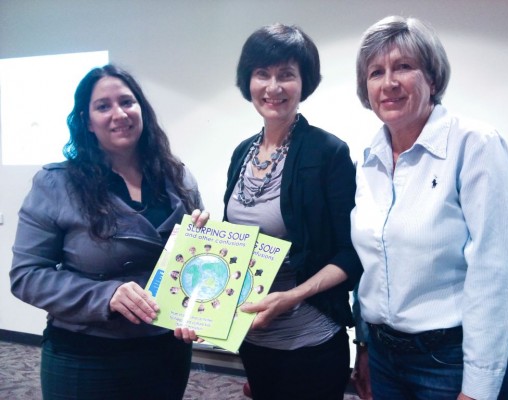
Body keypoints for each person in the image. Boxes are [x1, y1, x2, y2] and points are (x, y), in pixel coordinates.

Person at [10, 64, 209, 400]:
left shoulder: (178, 177)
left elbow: (194, 264)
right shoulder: (56, 182)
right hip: (86, 355)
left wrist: (204, 252)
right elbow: (27, 276)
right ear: (87, 121)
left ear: (141, 110)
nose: (119, 113)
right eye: (103, 106)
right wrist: (106, 295)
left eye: (127, 102)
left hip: (165, 350)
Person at [350, 16, 508, 400]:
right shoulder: (370, 158)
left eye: (404, 67)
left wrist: (478, 387)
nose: (389, 82)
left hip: (451, 362)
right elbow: (371, 267)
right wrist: (364, 346)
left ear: (433, 79)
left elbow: (494, 272)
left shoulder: (475, 145)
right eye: (376, 72)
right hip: (384, 357)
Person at [224, 23, 362, 399]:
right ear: (247, 81)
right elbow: (237, 243)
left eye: (286, 75)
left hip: (310, 340)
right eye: (262, 74)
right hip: (253, 337)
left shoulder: (327, 153)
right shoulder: (241, 154)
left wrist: (293, 296)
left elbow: (352, 253)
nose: (273, 87)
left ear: (304, 83)